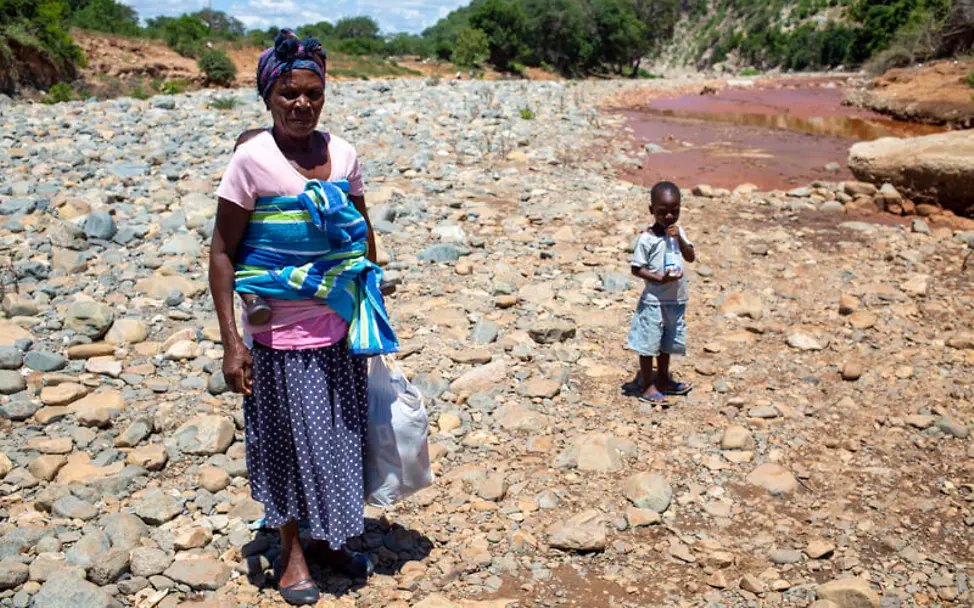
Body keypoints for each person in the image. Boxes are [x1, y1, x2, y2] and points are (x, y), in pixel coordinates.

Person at [208, 30, 397, 606]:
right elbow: (221, 251)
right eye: (289, 93)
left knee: (339, 440)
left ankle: (330, 537)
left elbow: (363, 232)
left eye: (312, 93)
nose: (301, 104)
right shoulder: (252, 160)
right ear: (268, 95)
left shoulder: (343, 155)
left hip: (339, 330)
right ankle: (292, 552)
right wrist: (231, 343)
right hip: (277, 337)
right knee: (287, 446)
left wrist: (368, 304)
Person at [627, 181, 696, 404]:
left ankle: (664, 378)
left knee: (667, 342)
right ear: (651, 210)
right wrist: (660, 279)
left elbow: (690, 256)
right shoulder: (647, 239)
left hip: (675, 299)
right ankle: (648, 385)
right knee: (649, 343)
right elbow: (636, 269)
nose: (668, 216)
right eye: (662, 212)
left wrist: (680, 239)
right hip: (654, 301)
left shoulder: (678, 232)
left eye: (674, 211)